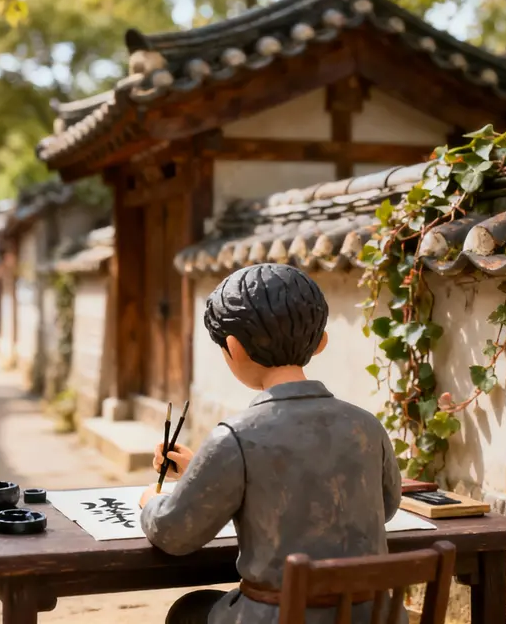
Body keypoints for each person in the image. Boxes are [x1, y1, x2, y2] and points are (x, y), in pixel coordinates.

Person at [137, 263, 402, 624]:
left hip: (280, 618)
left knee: (189, 611)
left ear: (234, 347)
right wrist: (202, 469)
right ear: (321, 341)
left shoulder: (235, 435)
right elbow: (384, 508)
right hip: (372, 617)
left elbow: (175, 534)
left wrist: (152, 503)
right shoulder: (365, 425)